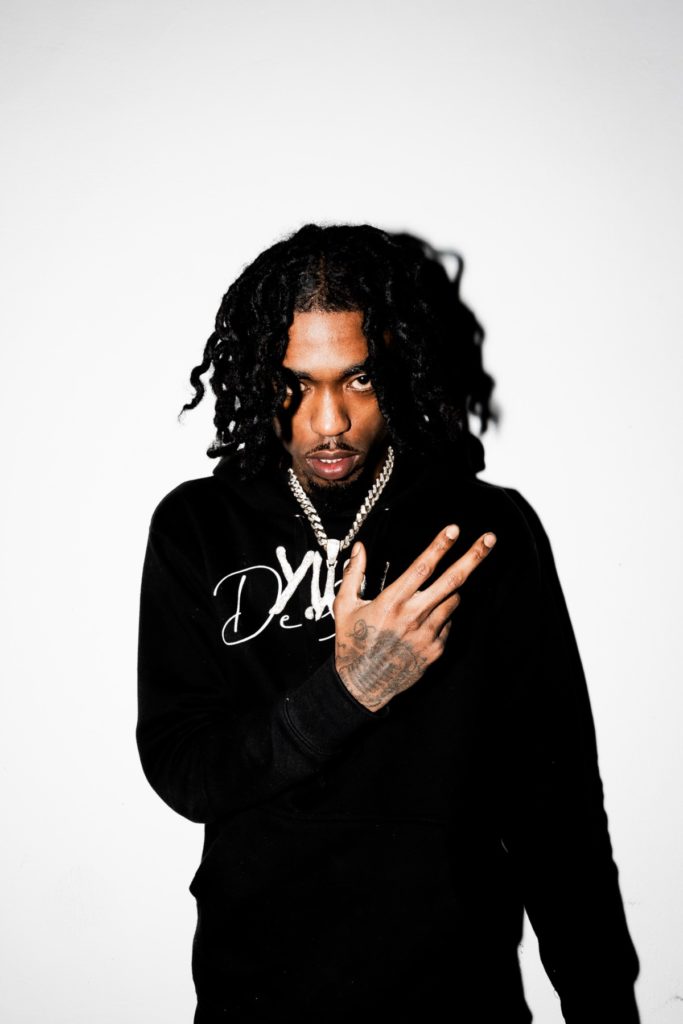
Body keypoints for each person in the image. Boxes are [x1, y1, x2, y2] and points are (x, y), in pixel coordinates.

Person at [136, 223, 640, 1022]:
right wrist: (346, 691)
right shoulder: (199, 527)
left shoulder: (484, 530)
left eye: (358, 379)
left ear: (397, 365)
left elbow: (555, 799)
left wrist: (601, 1001)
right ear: (258, 377)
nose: (327, 420)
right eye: (293, 384)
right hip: (258, 992)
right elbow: (184, 768)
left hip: (456, 992)